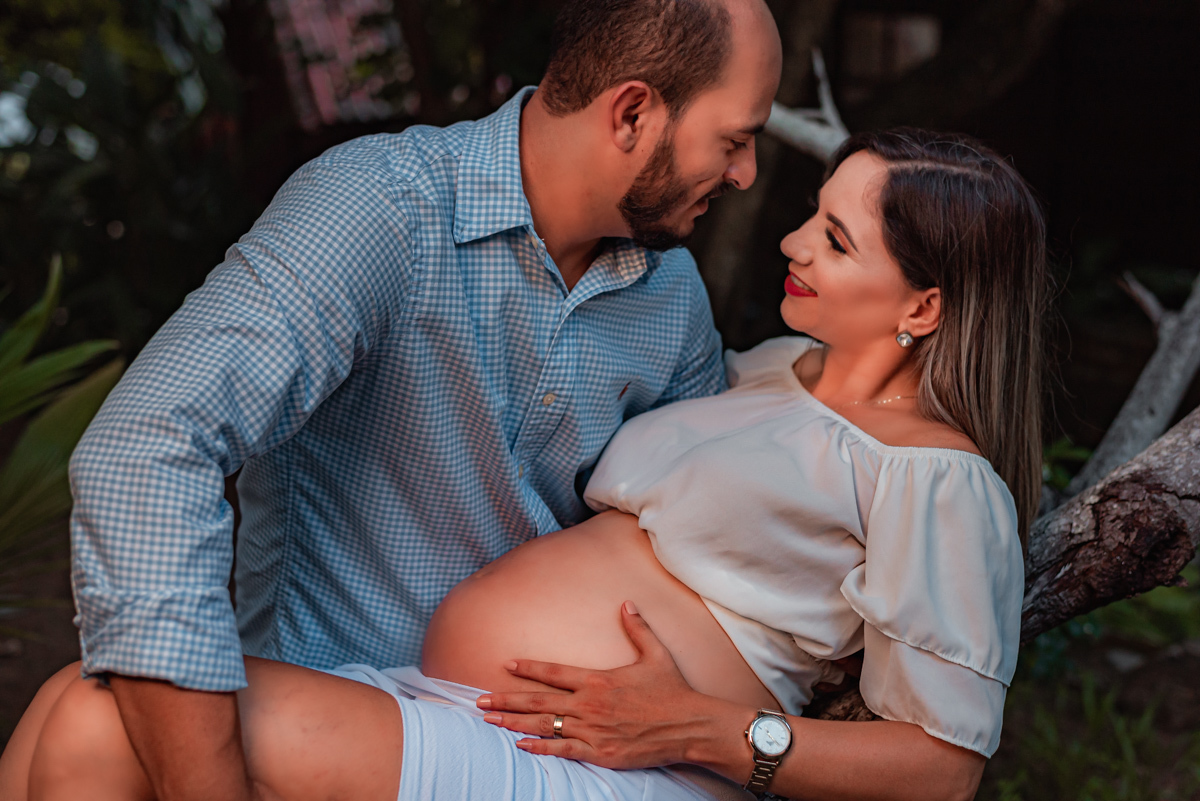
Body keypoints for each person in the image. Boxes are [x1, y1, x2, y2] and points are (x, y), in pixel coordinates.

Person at [7, 127, 1047, 801]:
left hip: (620, 766)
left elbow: (942, 763)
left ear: (923, 307)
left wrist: (715, 731)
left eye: (835, 238)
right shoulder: (773, 372)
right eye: (811, 215)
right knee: (80, 715)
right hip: (483, 715)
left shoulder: (936, 479)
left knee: (100, 723)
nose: (792, 241)